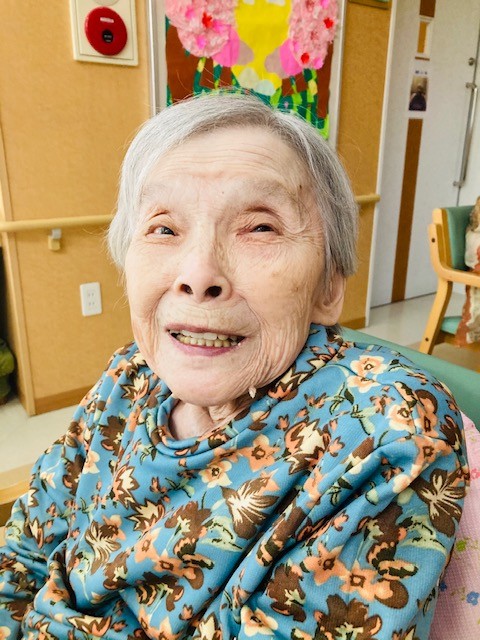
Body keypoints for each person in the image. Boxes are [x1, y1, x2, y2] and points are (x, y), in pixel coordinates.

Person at [0, 93, 467, 640]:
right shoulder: (130, 375)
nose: (198, 274)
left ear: (329, 286)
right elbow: (24, 551)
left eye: (260, 227)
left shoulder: (384, 431)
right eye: (163, 228)